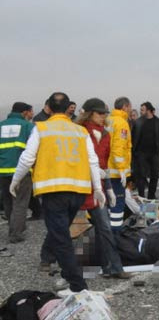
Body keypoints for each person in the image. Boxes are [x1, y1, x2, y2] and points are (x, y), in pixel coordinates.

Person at [10, 92, 105, 294]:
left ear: (49, 108)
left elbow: (27, 158)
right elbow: (92, 160)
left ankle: (78, 286)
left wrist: (16, 180)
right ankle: (50, 261)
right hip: (78, 191)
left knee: (61, 238)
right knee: (59, 233)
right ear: (67, 108)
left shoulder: (41, 128)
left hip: (54, 192)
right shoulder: (80, 131)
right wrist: (97, 188)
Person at [76, 98, 131, 279]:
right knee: (64, 229)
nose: (103, 116)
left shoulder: (106, 135)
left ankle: (113, 268)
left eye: (105, 113)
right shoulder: (79, 133)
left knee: (105, 228)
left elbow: (105, 165)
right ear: (89, 113)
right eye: (99, 113)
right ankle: (52, 260)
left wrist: (108, 188)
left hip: (97, 189)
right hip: (78, 187)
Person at [0, 102, 34, 243]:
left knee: (8, 201)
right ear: (24, 112)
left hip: (2, 170)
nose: (32, 115)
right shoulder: (28, 126)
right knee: (20, 202)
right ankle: (16, 233)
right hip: (21, 171)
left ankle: (12, 228)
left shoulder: (1, 125)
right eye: (31, 112)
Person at [105, 97, 132, 232]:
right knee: (117, 204)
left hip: (105, 169)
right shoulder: (121, 123)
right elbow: (118, 147)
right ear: (125, 107)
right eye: (130, 107)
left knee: (108, 203)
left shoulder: (108, 120)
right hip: (116, 172)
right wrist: (121, 169)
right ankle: (115, 235)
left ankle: (107, 231)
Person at [132, 102, 159, 199]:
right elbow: (132, 138)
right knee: (141, 176)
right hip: (141, 154)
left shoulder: (158, 122)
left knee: (155, 175)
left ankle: (151, 195)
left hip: (154, 153)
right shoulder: (138, 122)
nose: (140, 111)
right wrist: (133, 152)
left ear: (148, 110)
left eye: (142, 109)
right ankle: (141, 197)